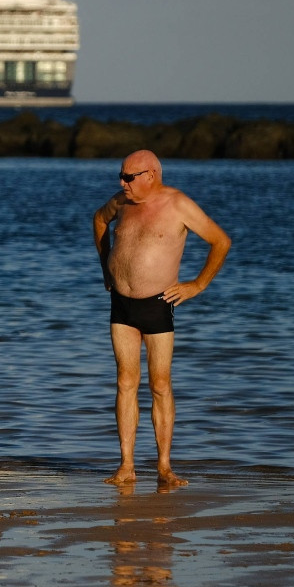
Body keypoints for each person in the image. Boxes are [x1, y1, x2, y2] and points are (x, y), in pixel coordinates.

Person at [93, 150, 230, 488]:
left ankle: (165, 467)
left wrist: (197, 285)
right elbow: (99, 221)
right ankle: (126, 466)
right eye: (121, 175)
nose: (121, 183)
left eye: (129, 177)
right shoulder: (121, 202)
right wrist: (105, 268)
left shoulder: (178, 204)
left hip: (157, 303)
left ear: (150, 174)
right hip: (120, 304)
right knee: (125, 382)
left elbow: (220, 241)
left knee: (159, 384)